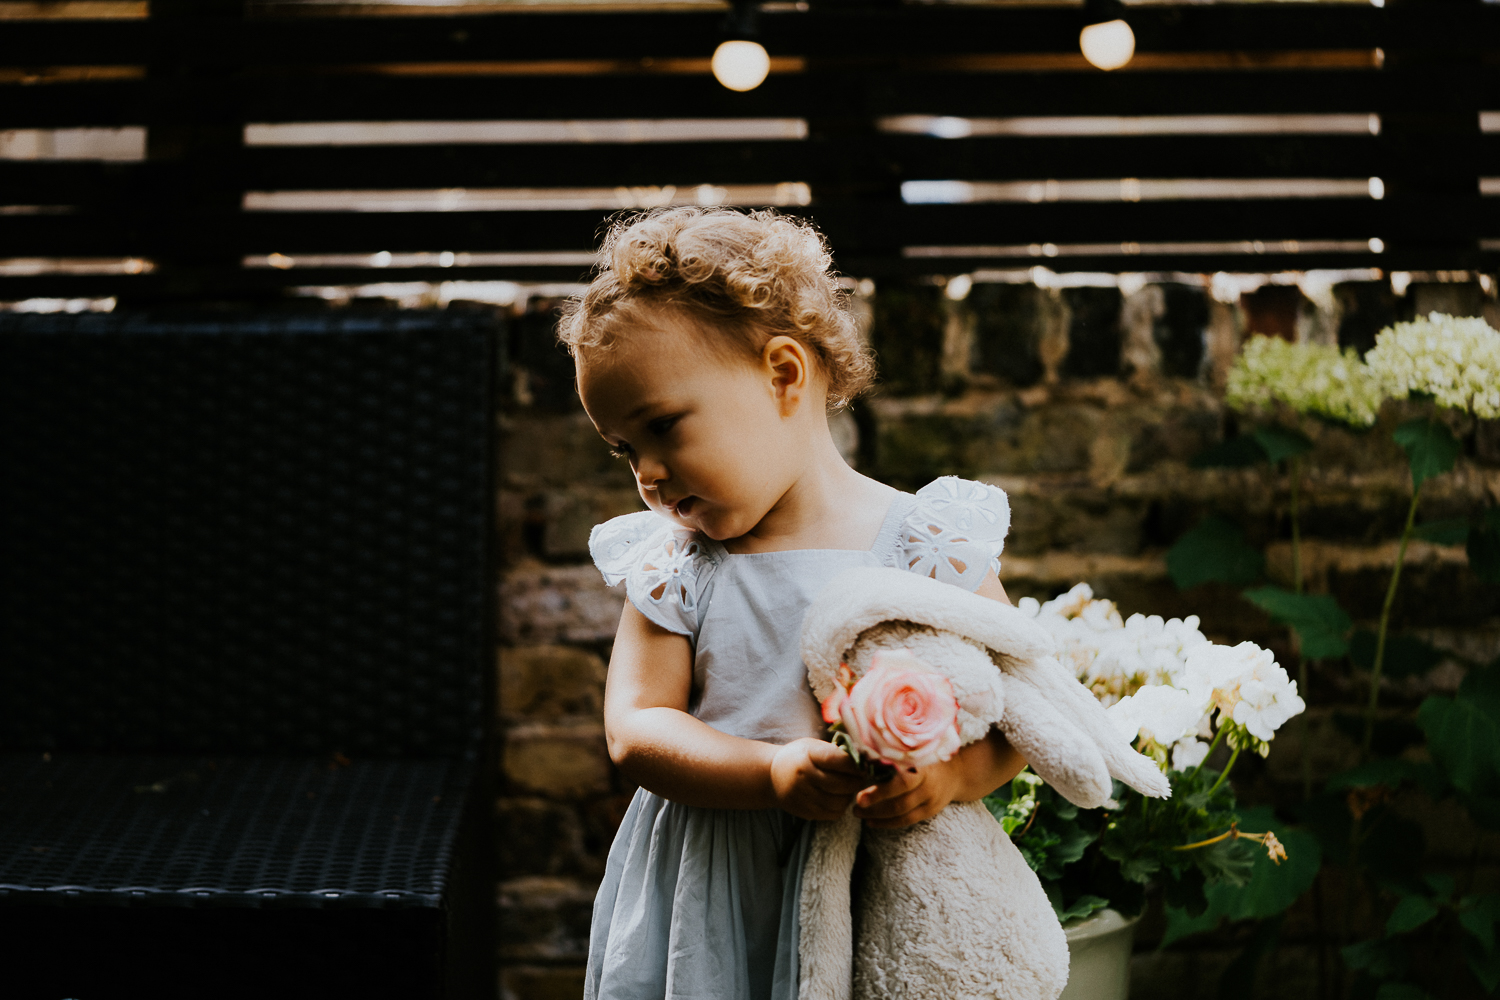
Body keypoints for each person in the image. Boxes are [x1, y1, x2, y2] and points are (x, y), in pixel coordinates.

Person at [557, 207, 1029, 1000]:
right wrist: (768, 770)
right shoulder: (678, 563)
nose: (648, 475)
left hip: (878, 882)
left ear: (783, 374)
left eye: (663, 427)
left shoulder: (924, 541)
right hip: (716, 895)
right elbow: (634, 728)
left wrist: (949, 778)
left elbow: (1018, 711)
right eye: (625, 450)